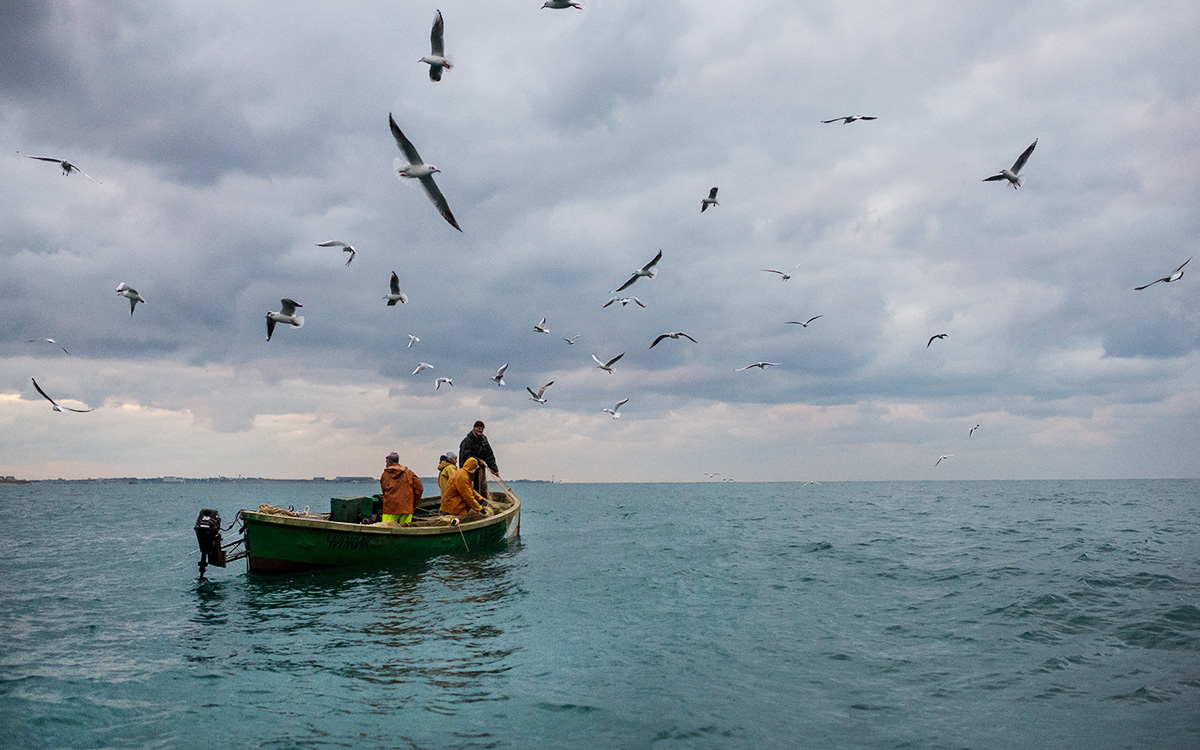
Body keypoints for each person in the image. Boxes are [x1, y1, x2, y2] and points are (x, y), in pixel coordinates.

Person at [458, 420, 500, 500]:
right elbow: (466, 455)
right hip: (468, 469)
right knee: (470, 487)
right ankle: (471, 504)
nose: (480, 430)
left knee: (482, 485)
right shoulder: (467, 440)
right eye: (478, 428)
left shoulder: (484, 439)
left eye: (482, 429)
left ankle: (482, 501)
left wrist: (494, 469)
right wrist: (478, 460)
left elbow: (489, 455)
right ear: (474, 428)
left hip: (480, 468)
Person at [379, 451, 423, 524]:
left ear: (389, 462)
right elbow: (419, 489)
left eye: (386, 462)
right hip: (406, 508)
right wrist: (413, 504)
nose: (386, 464)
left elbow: (384, 491)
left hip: (390, 508)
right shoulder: (409, 473)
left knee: (387, 529)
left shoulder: (385, 475)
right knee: (405, 531)